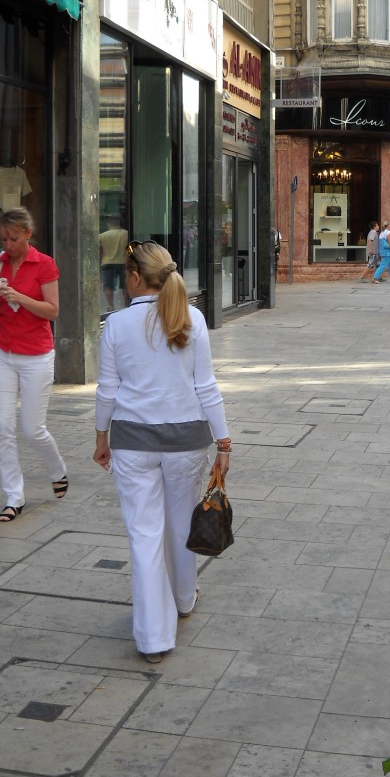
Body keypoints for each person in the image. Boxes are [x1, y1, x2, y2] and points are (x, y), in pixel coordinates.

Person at [92, 240, 230, 664]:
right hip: (187, 442)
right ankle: (184, 599)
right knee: (181, 523)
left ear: (135, 277)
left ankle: (154, 637)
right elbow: (206, 387)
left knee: (144, 536)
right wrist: (224, 441)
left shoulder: (116, 324)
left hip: (133, 443)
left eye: (126, 274)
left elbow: (107, 390)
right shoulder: (192, 318)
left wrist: (101, 437)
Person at [0, 208, 68, 521]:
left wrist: (18, 296)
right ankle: (14, 496)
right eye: (3, 239)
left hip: (37, 355)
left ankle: (57, 469)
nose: (7, 245)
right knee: (2, 427)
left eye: (13, 238)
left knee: (32, 429)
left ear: (28, 234)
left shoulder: (44, 264)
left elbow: (52, 311)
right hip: (3, 352)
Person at [99, 215, 129, 311]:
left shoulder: (102, 236)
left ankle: (110, 306)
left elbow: (100, 251)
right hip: (123, 262)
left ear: (109, 224)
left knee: (108, 286)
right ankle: (126, 305)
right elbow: (129, 249)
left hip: (107, 262)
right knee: (125, 285)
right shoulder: (126, 234)